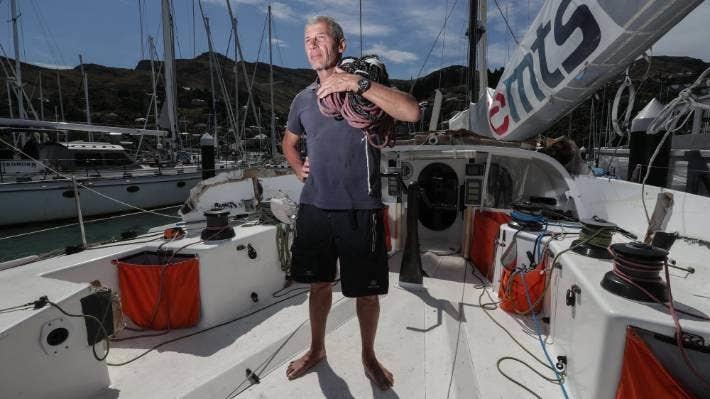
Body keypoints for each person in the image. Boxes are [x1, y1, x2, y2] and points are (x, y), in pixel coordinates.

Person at [281, 15, 420, 391]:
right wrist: (298, 169)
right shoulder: (303, 99)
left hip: (362, 208)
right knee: (319, 285)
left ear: (340, 46)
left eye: (320, 38)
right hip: (315, 208)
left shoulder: (365, 91)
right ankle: (316, 349)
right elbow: (289, 143)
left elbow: (411, 111)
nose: (311, 45)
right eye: (307, 40)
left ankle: (368, 355)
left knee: (367, 293)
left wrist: (356, 82)